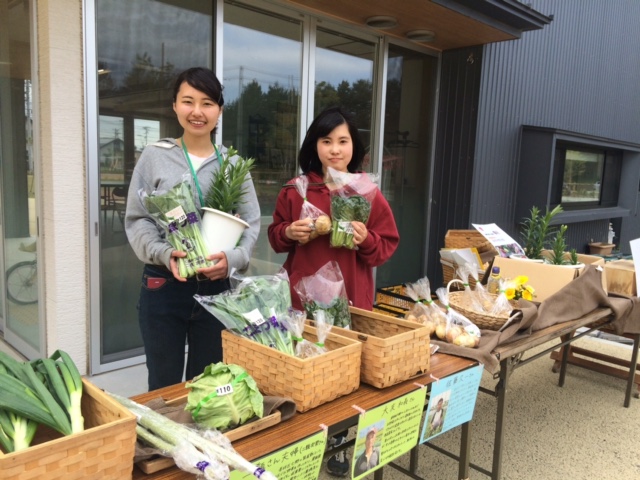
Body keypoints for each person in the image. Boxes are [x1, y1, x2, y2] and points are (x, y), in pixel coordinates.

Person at [268, 106, 399, 476]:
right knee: (305, 369)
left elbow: (386, 246)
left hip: (351, 300)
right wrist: (288, 232)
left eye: (343, 141)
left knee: (345, 375)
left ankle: (341, 442)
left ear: (354, 147)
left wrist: (366, 238)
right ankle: (303, 445)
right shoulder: (295, 190)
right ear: (315, 145)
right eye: (327, 141)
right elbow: (275, 238)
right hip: (302, 299)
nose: (335, 149)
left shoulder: (366, 192)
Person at [125, 67, 260, 392]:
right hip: (164, 285)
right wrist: (163, 252)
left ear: (219, 110)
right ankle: (165, 429)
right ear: (175, 105)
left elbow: (251, 223)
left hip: (216, 286)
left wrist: (233, 259)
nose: (197, 111)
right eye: (188, 101)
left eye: (207, 103)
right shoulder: (155, 157)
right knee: (164, 384)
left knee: (208, 382)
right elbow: (138, 218)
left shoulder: (233, 164)